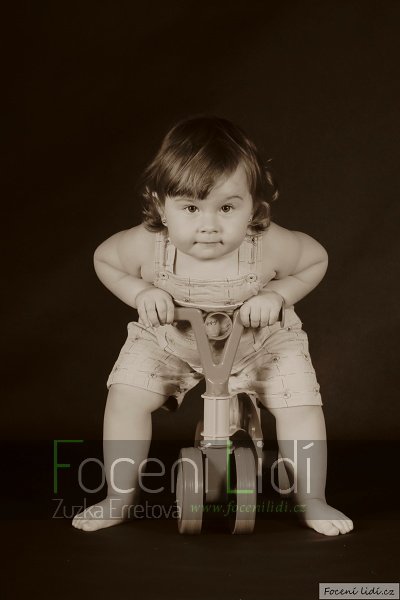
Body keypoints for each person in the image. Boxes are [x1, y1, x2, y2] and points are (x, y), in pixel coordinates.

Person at [72, 115, 353, 536]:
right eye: (190, 208)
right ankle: (118, 497)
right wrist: (140, 293)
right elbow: (105, 259)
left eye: (226, 207)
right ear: (161, 206)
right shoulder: (147, 243)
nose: (208, 225)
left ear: (253, 207)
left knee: (300, 406)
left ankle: (312, 499)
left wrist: (277, 296)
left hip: (259, 343)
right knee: (126, 396)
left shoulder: (268, 242)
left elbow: (315, 259)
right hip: (171, 341)